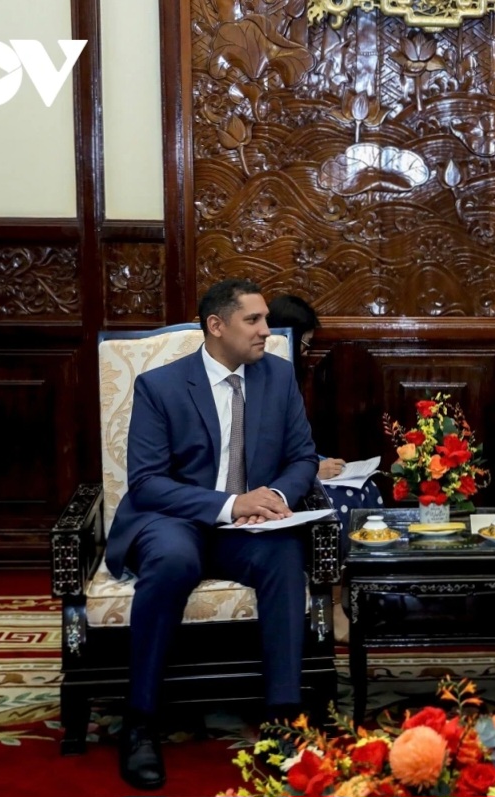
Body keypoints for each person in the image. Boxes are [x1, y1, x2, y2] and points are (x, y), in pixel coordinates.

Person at [106, 279, 319, 790]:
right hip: (174, 520)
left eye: (266, 319)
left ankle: (283, 719)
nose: (267, 330)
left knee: (284, 554)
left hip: (247, 528)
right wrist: (229, 504)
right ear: (217, 326)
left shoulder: (278, 376)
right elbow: (148, 483)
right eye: (254, 320)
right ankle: (141, 721)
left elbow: (303, 458)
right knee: (173, 560)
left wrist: (275, 498)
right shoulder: (160, 386)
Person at [266, 294, 385, 542]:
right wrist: (312, 471)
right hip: (274, 483)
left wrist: (319, 463)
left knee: (366, 487)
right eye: (304, 344)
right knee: (346, 499)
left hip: (296, 469)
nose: (305, 353)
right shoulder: (257, 384)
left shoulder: (285, 379)